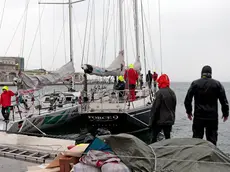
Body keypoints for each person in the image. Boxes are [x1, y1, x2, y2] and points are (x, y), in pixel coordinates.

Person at [184, 65, 229, 146]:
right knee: (212, 141)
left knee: (196, 140)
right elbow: (224, 100)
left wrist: (189, 112)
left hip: (199, 116)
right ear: (211, 73)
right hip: (212, 117)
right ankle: (212, 157)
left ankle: (196, 157)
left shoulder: (195, 83)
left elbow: (187, 99)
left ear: (202, 73)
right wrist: (225, 113)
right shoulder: (217, 84)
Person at [150, 74, 177, 143]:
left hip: (159, 121)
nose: (158, 84)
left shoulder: (159, 93)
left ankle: (153, 151)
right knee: (168, 138)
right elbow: (174, 106)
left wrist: (151, 122)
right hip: (169, 120)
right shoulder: (172, 92)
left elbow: (155, 108)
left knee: (154, 138)